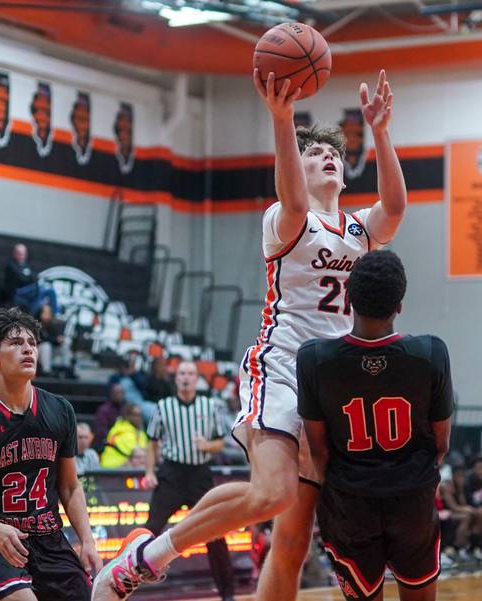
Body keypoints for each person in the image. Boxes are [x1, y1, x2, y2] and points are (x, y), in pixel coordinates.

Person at [92, 68, 407, 601]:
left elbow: (395, 207)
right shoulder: (286, 219)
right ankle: (147, 558)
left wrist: (379, 131)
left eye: (333, 155)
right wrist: (282, 120)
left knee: (289, 540)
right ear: (294, 171)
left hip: (332, 388)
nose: (328, 157)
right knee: (273, 493)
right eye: (313, 155)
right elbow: (295, 197)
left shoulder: (359, 230)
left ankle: (156, 544)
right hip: (282, 367)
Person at [297, 250, 452, 601]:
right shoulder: (431, 353)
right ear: (399, 304)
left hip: (350, 504)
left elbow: (318, 449)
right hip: (412, 499)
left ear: (347, 297)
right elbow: (440, 444)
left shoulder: (313, 359)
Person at [0, 308, 102, 601]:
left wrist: (87, 541)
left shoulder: (60, 409)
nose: (28, 348)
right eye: (15, 343)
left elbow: (68, 486)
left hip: (49, 538)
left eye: (32, 342)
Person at [143, 360, 235, 601]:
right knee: (149, 529)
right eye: (182, 373)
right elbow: (152, 442)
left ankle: (228, 594)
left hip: (199, 476)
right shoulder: (163, 406)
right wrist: (150, 472)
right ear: (176, 378)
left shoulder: (209, 405)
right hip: (171, 474)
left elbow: (219, 442)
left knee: (215, 534)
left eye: (190, 374)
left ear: (197, 379)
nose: (186, 377)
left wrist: (207, 445)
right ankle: (122, 581)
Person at [2, 244, 57, 314]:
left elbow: (32, 278)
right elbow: (22, 279)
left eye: (23, 254)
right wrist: (28, 277)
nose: (22, 256)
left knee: (49, 290)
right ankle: (31, 314)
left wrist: (29, 277)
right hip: (18, 292)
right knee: (38, 287)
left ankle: (55, 314)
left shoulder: (26, 265)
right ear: (14, 254)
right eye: (20, 254)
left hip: (29, 291)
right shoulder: (11, 265)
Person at [100, 403, 148, 469]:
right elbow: (137, 453)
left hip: (128, 468)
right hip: (114, 468)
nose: (138, 418)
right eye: (135, 415)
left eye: (140, 415)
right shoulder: (120, 430)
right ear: (128, 416)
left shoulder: (140, 433)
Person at [36, 304, 70, 377]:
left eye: (48, 313)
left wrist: (60, 340)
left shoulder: (54, 324)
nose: (46, 315)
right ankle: (46, 372)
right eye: (44, 312)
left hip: (51, 351)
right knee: (46, 346)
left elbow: (56, 341)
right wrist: (55, 339)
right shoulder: (35, 324)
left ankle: (66, 369)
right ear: (40, 313)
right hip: (38, 352)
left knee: (65, 344)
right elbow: (41, 340)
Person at [92, 383, 126, 452]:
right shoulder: (103, 410)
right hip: (108, 443)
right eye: (115, 393)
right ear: (111, 394)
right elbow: (101, 431)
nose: (118, 395)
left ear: (124, 394)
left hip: (125, 441)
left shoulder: (126, 409)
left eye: (120, 392)